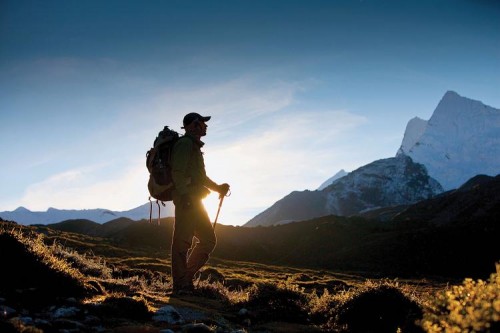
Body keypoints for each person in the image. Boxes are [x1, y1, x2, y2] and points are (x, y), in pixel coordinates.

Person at [170, 112, 230, 295]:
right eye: (202, 123)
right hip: (188, 200)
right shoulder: (185, 144)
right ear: (193, 126)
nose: (205, 126)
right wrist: (184, 196)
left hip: (194, 199)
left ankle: (184, 281)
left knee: (206, 240)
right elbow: (177, 172)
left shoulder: (193, 147)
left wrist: (218, 188)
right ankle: (182, 285)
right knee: (183, 242)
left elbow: (200, 177)